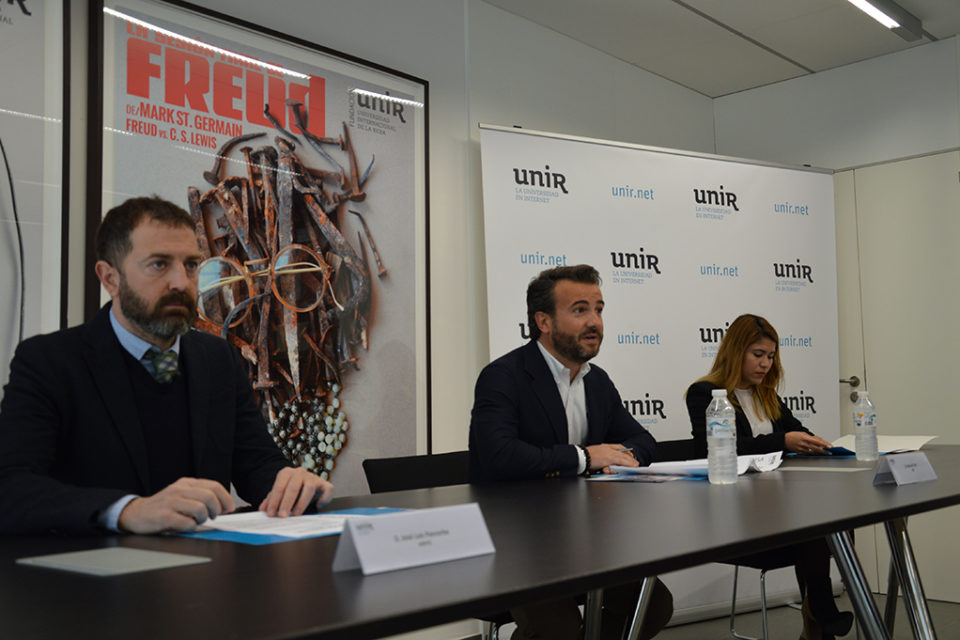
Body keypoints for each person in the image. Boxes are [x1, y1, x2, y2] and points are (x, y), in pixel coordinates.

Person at [0, 196, 333, 535]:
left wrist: (289, 483)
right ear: (110, 278)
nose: (181, 283)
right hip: (93, 563)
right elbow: (11, 487)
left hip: (207, 563)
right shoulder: (49, 363)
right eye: (159, 264)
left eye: (191, 265)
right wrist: (126, 510)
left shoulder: (218, 359)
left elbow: (256, 464)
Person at [469, 264, 672, 640]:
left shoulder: (597, 381)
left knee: (654, 605)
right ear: (543, 321)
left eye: (598, 309)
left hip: (582, 534)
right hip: (515, 540)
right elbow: (500, 454)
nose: (594, 321)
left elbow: (642, 440)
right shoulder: (504, 376)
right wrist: (587, 457)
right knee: (558, 629)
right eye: (580, 310)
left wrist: (621, 457)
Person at [685, 313, 853, 640]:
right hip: (734, 512)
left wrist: (814, 443)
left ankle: (818, 614)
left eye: (771, 356)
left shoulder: (767, 393)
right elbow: (720, 447)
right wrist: (782, 441)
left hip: (776, 504)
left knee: (834, 522)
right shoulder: (705, 393)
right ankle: (820, 611)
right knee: (815, 528)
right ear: (736, 351)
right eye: (758, 354)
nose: (765, 364)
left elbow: (796, 430)